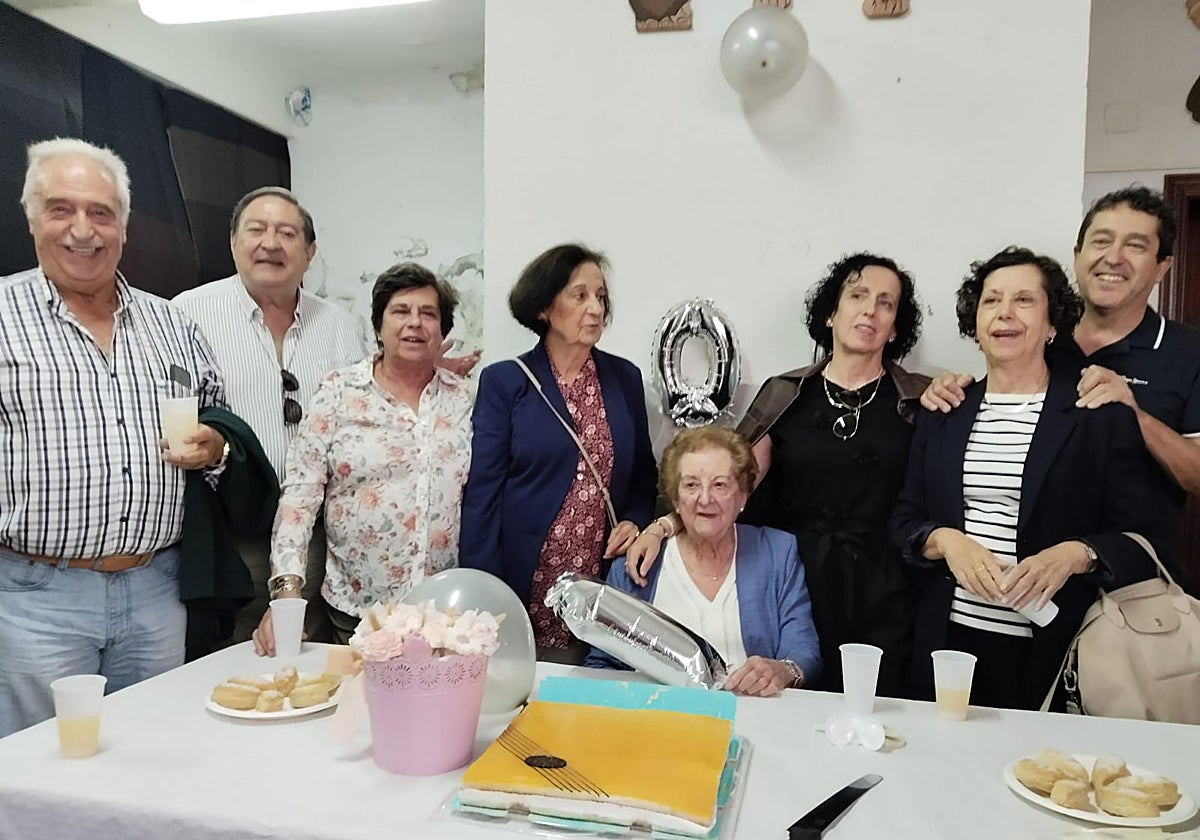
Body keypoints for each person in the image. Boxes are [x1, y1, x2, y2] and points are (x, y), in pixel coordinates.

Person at [0, 138, 228, 736]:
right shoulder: (2, 316)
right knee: (40, 765)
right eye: (61, 209)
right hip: (35, 597)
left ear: (124, 226)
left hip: (158, 588)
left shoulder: (172, 323)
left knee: (150, 753)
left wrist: (214, 446)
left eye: (100, 212)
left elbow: (218, 421)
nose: (83, 230)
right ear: (31, 218)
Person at [626, 253, 928, 696]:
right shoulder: (786, 394)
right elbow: (730, 483)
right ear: (830, 312)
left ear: (896, 326)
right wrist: (663, 525)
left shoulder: (918, 401)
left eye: (886, 303)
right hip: (796, 586)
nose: (870, 310)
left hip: (884, 593)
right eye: (858, 296)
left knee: (876, 713)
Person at [891, 246, 1168, 710]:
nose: (1005, 313)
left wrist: (1076, 554)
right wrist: (946, 541)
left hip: (1055, 652)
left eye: (1023, 300)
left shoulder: (1096, 414)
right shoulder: (944, 411)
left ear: (1052, 322)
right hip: (947, 644)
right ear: (975, 322)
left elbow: (1146, 536)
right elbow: (904, 519)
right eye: (991, 300)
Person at [923, 188, 1200, 585]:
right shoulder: (1041, 336)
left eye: (1135, 245)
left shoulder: (1188, 353)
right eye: (1101, 241)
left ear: (1162, 267)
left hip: (1133, 586)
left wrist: (1134, 414)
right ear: (1078, 255)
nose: (1114, 257)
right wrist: (946, 388)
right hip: (1035, 587)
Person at [173, 187, 370, 646]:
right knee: (233, 656)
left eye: (286, 233)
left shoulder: (341, 326)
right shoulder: (186, 315)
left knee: (307, 655)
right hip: (229, 530)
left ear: (310, 252)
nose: (270, 243)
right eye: (256, 230)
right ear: (233, 243)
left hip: (318, 534)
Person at [252, 263, 473, 653]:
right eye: (400, 311)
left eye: (428, 313)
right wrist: (285, 592)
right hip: (358, 612)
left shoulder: (466, 399)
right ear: (378, 326)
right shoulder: (338, 392)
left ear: (442, 331)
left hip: (446, 615)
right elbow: (300, 496)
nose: (415, 323)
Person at [459, 243, 657, 664]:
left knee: (595, 689)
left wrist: (634, 521)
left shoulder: (624, 378)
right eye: (579, 295)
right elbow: (483, 495)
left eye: (600, 297)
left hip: (602, 581)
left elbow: (644, 476)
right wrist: (484, 595)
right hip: (526, 578)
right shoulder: (506, 382)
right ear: (544, 307)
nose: (595, 309)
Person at [587, 427, 822, 697]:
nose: (706, 498)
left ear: (742, 496)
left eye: (720, 485)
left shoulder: (777, 553)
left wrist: (783, 670)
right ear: (675, 498)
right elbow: (601, 664)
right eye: (691, 485)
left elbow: (804, 650)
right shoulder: (637, 563)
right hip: (655, 713)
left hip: (753, 711)